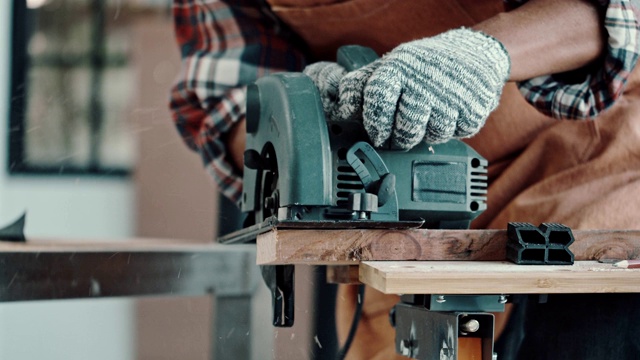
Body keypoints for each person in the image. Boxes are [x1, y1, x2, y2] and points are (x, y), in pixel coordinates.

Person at [169, 0, 640, 358]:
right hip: (409, 231)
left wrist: (484, 52)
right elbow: (226, 98)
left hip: (603, 165)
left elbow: (614, 11)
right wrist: (307, 118)